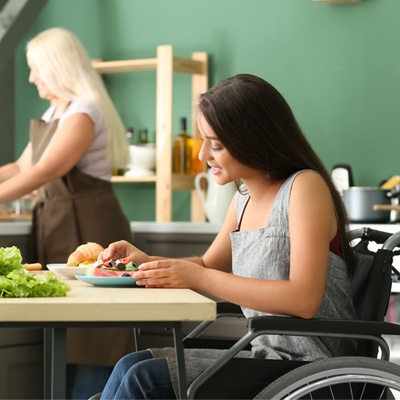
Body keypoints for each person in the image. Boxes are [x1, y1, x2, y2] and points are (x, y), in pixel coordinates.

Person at [98, 73, 358, 399]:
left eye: (216, 144)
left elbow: (303, 300)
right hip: (266, 356)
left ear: (254, 138)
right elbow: (208, 264)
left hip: (312, 368)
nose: (202, 155)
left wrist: (198, 275)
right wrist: (146, 262)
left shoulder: (304, 188)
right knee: (130, 366)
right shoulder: (243, 199)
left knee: (144, 379)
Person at [0, 27, 135, 398]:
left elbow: (43, 172)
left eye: (36, 68)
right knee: (67, 330)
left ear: (56, 66)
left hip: (89, 223)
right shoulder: (57, 110)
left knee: (93, 335)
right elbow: (20, 166)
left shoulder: (84, 112)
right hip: (58, 226)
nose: (31, 77)